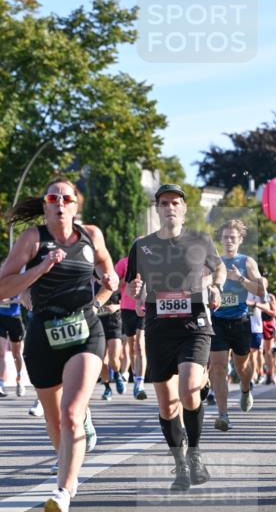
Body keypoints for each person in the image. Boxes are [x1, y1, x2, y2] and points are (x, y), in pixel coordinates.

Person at [0, 177, 118, 512]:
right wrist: (41, 268)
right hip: (42, 333)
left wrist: (103, 294)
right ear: (45, 204)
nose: (60, 203)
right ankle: (69, 461)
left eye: (67, 198)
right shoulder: (32, 239)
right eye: (53, 197)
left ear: (76, 205)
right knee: (55, 422)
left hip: (85, 330)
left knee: (70, 412)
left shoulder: (92, 235)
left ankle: (63, 492)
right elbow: (4, 286)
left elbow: (109, 277)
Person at [126, 184, 226, 490]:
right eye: (164, 203)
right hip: (158, 328)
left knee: (188, 389)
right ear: (157, 209)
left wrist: (217, 286)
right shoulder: (141, 246)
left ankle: (194, 454)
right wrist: (134, 291)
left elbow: (219, 268)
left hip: (194, 325)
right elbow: (132, 284)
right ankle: (180, 464)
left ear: (183, 209)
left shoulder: (200, 240)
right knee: (168, 405)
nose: (170, 207)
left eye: (175, 203)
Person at [208, 219, 266, 431]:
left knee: (242, 366)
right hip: (218, 321)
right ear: (220, 240)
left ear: (240, 240)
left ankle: (244, 388)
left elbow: (261, 290)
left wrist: (241, 279)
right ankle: (223, 415)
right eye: (225, 237)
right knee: (218, 367)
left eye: (233, 237)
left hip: (240, 320)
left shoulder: (247, 261)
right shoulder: (214, 262)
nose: (229, 241)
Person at [114, 255, 147, 399]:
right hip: (127, 308)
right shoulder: (124, 262)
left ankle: (140, 383)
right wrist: (128, 282)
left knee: (140, 344)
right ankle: (135, 374)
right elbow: (114, 284)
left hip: (145, 307)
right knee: (132, 345)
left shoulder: (151, 262)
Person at [0, 296, 26, 398]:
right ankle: (0, 383)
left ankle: (19, 379)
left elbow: (24, 298)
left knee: (16, 354)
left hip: (15, 319)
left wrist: (9, 300)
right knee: (0, 352)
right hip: (0, 319)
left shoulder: (16, 281)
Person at [95, 285, 124, 400]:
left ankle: (117, 374)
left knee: (114, 358)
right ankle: (107, 388)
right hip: (98, 325)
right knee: (103, 361)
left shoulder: (114, 283)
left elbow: (127, 302)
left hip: (114, 323)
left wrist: (116, 306)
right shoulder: (91, 285)